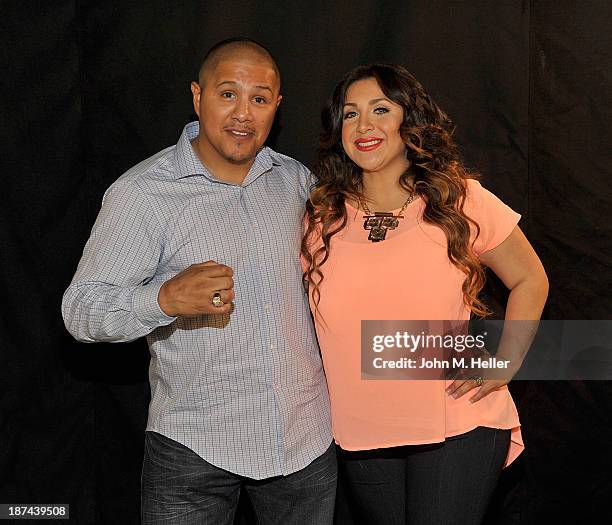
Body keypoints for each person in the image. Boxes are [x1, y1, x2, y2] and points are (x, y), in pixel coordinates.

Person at [62, 38, 336, 525]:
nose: (243, 115)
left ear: (277, 105)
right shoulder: (142, 193)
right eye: (228, 94)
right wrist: (163, 298)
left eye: (259, 98)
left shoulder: (295, 181)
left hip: (303, 441)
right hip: (193, 447)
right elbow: (81, 310)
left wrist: (472, 353)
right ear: (197, 96)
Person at [302, 64, 548, 525]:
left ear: (408, 120)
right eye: (350, 114)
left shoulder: (460, 199)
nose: (364, 126)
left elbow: (531, 278)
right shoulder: (319, 217)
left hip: (457, 419)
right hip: (360, 430)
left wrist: (507, 358)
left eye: (380, 109)